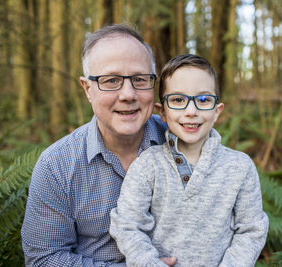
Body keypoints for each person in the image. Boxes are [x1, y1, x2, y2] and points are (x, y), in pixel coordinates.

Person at [21, 24, 177, 266]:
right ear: (87, 89)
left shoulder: (184, 144)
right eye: (111, 80)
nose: (128, 94)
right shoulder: (56, 167)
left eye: (139, 79)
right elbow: (43, 259)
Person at [109, 54, 269, 266]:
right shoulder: (148, 165)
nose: (191, 111)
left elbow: (251, 230)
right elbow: (127, 225)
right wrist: (150, 263)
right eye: (178, 100)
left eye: (203, 100)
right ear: (162, 112)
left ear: (217, 111)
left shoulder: (239, 167)